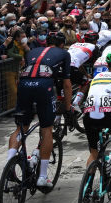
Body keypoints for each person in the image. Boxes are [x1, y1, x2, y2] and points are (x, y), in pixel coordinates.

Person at [10, 31, 70, 190]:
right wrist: (68, 107)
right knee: (46, 129)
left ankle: (9, 164)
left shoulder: (32, 51)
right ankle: (42, 177)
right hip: (44, 85)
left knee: (21, 127)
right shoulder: (64, 53)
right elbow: (66, 84)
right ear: (62, 44)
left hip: (24, 84)